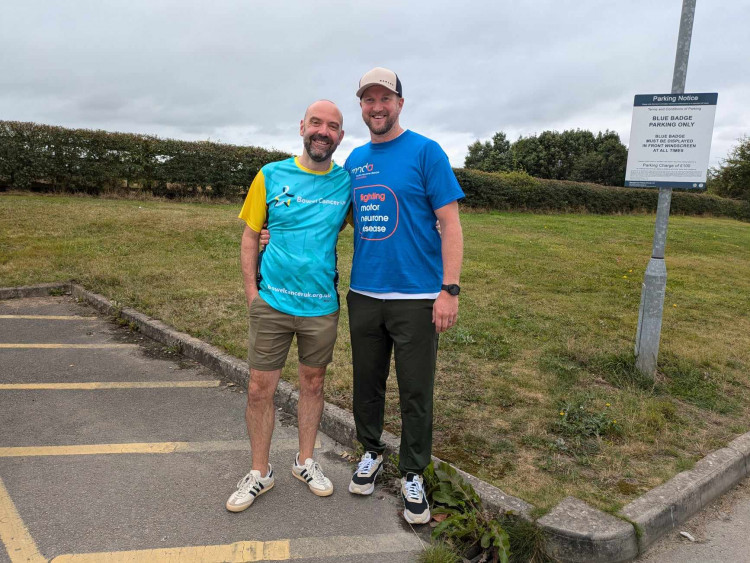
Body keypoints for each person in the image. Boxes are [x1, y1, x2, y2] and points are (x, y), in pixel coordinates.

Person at [345, 67, 464, 525]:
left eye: (385, 98)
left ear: (400, 103)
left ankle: (413, 472)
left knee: (416, 391)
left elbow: (450, 223)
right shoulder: (354, 160)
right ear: (362, 107)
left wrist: (448, 289)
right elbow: (349, 216)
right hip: (364, 294)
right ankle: (371, 452)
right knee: (366, 384)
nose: (377, 107)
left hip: (417, 297)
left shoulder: (426, 152)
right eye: (368, 100)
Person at [226, 99, 351, 512]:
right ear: (302, 127)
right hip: (272, 304)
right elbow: (250, 235)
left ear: (340, 136)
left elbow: (376, 216)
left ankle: (305, 461)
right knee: (260, 388)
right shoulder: (270, 174)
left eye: (332, 126)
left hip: (321, 306)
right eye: (316, 123)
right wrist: (251, 294)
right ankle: (260, 473)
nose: (323, 131)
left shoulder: (345, 184)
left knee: (313, 383)